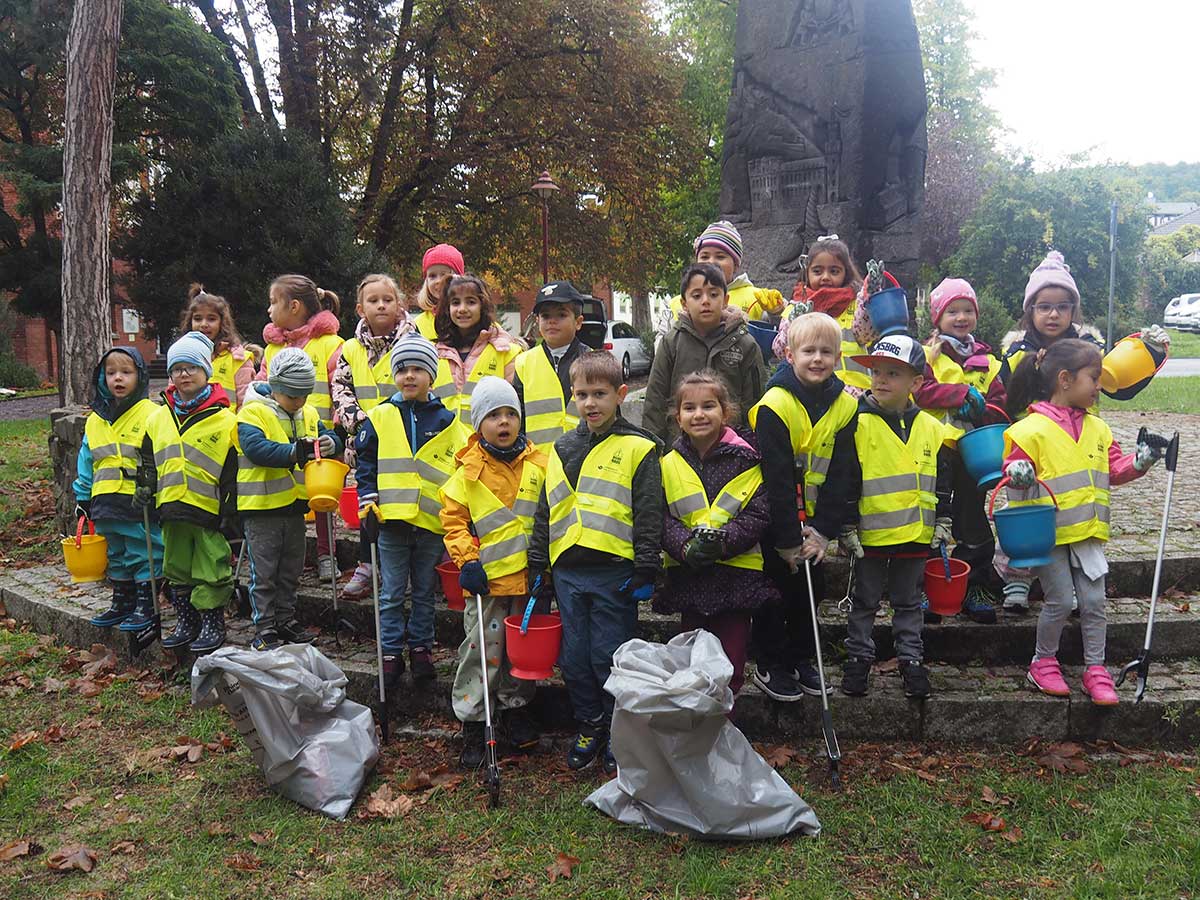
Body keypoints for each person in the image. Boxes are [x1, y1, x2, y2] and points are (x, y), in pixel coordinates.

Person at [998, 251, 1170, 613]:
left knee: (1075, 518)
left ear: (1074, 310)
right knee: (1024, 511)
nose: (1054, 314)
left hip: (1078, 446)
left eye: (1062, 306)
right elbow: (1002, 399)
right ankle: (1017, 578)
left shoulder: (1090, 348)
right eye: (1044, 306)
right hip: (1032, 450)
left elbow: (1119, 385)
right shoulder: (1016, 351)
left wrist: (1151, 355)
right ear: (1030, 311)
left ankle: (1072, 585)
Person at [1002, 339, 1165, 704]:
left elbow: (1114, 468)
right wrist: (1019, 472)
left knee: (1093, 602)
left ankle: (1096, 668)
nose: (1099, 386)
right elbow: (1010, 469)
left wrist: (1139, 463)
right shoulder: (1029, 430)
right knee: (1059, 600)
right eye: (1094, 378)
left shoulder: (1099, 429)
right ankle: (1042, 662)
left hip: (1088, 533)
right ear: (1065, 379)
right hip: (1048, 535)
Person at [527, 351, 663, 775]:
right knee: (574, 657)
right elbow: (546, 509)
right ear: (572, 397)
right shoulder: (562, 447)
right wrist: (538, 564)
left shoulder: (640, 447)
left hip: (615, 571)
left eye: (600, 393)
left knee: (610, 654)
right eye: (583, 394)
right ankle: (590, 722)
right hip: (568, 570)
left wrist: (646, 565)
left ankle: (618, 727)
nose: (591, 403)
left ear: (621, 395)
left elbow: (648, 511)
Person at [805, 333, 952, 699]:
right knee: (864, 601)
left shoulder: (933, 429)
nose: (881, 380)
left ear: (916, 382)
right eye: (876, 373)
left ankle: (911, 660)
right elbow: (845, 477)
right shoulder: (856, 423)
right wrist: (846, 525)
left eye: (893, 373)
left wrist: (945, 521)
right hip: (868, 537)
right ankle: (858, 659)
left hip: (916, 535)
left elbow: (944, 481)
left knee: (908, 601)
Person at [748, 312, 857, 701]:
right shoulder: (774, 406)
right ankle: (771, 662)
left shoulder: (846, 407)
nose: (817, 359)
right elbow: (774, 478)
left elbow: (843, 473)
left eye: (826, 352)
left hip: (815, 524)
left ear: (838, 356)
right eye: (808, 351)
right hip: (776, 523)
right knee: (774, 591)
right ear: (790, 355)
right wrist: (788, 540)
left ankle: (802, 658)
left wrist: (823, 531)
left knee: (809, 595)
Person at [440, 377, 549, 767]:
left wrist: (546, 565)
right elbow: (453, 522)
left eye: (510, 414)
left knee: (521, 651)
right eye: (493, 416)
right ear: (478, 424)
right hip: (485, 583)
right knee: (481, 651)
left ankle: (516, 708)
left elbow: (551, 516)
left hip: (528, 580)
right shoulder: (468, 472)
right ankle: (474, 720)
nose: (503, 423)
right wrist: (467, 562)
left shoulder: (541, 464)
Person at [655, 371, 778, 702]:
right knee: (690, 661)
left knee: (731, 662)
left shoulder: (748, 461)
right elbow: (661, 516)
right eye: (689, 408)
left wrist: (723, 541)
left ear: (726, 412)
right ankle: (693, 726)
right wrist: (684, 545)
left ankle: (724, 725)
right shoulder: (667, 464)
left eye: (708, 406)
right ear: (677, 417)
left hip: (737, 579)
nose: (699, 414)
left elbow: (758, 513)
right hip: (690, 578)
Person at [356, 334, 471, 685]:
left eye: (417, 369)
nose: (409, 376)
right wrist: (368, 500)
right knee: (391, 592)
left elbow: (460, 469)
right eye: (402, 369)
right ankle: (391, 651)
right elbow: (366, 464)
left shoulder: (448, 421)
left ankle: (421, 648)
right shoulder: (379, 416)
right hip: (390, 520)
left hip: (430, 521)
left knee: (423, 591)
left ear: (431, 376)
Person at [913, 277, 1006, 624]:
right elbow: (921, 391)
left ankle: (975, 585)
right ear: (938, 317)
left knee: (972, 516)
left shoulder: (989, 360)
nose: (961, 317)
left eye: (968, 310)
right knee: (933, 513)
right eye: (953, 311)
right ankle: (926, 584)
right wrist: (959, 395)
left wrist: (982, 409)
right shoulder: (927, 355)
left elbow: (1001, 402)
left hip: (975, 452)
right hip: (936, 448)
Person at [237, 347, 343, 651]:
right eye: (293, 396)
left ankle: (285, 618)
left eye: (304, 395)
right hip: (261, 508)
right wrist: (296, 452)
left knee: (291, 570)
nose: (300, 402)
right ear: (276, 387)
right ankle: (265, 626)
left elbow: (331, 437)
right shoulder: (253, 412)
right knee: (265, 572)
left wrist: (330, 441)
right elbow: (257, 450)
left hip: (295, 507)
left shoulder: (307, 412)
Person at [138, 331, 237, 653]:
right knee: (176, 565)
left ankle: (212, 619)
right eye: (176, 368)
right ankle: (187, 618)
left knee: (212, 566)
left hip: (207, 510)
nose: (183, 374)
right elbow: (148, 461)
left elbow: (232, 471)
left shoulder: (224, 419)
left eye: (191, 367)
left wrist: (230, 508)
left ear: (206, 372)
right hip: (171, 508)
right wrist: (145, 488)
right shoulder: (158, 417)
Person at [257, 274, 345, 582]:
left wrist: (335, 434)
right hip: (280, 438)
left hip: (319, 436)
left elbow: (342, 389)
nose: (268, 310)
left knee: (323, 501)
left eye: (272, 303)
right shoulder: (272, 349)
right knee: (286, 498)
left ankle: (325, 554)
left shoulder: (331, 345)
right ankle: (286, 555)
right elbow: (259, 389)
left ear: (293, 306)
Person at [332, 274, 412, 601]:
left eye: (388, 299)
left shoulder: (411, 342)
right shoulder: (350, 349)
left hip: (403, 441)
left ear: (399, 305)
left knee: (402, 503)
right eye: (373, 300)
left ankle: (400, 568)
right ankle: (366, 563)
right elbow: (340, 386)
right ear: (360, 308)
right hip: (365, 442)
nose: (381, 305)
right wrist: (356, 420)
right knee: (369, 502)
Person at [74, 347, 164, 630]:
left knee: (144, 550)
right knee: (115, 552)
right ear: (102, 378)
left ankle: (146, 602)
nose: (118, 379)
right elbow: (86, 461)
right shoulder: (94, 420)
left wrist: (157, 489)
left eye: (126, 372)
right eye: (111, 373)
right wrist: (82, 496)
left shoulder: (152, 413)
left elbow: (164, 455)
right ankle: (122, 600)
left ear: (140, 375)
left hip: (138, 500)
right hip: (104, 501)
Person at [643, 263, 765, 444]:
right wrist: (653, 451)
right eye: (697, 295)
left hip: (730, 450)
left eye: (714, 294)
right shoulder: (672, 343)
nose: (706, 301)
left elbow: (755, 402)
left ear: (725, 300)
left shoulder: (744, 344)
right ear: (684, 303)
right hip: (679, 448)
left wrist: (749, 447)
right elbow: (655, 400)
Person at [655, 220, 785, 339]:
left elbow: (781, 340)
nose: (711, 262)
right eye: (705, 256)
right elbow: (662, 346)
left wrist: (777, 313)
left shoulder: (758, 298)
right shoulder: (676, 303)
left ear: (736, 265)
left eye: (720, 256)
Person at [773, 235, 867, 392]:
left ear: (846, 272)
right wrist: (793, 321)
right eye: (817, 271)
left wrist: (869, 298)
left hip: (856, 393)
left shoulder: (857, 303)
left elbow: (866, 335)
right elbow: (779, 350)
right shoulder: (796, 306)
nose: (825, 277)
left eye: (834, 271)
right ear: (807, 272)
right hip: (812, 392)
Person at [431, 274, 524, 428]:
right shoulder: (435, 355)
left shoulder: (506, 352)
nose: (462, 309)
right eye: (455, 303)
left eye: (471, 302)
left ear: (483, 306)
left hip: (489, 447)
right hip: (443, 447)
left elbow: (515, 408)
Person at [512, 281, 588, 446]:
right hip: (537, 463)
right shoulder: (524, 362)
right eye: (546, 316)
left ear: (578, 322)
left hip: (583, 460)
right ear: (537, 321)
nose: (552, 321)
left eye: (561, 315)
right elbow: (517, 417)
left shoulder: (593, 361)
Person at [178, 284, 254, 407]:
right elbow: (172, 398)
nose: (203, 324)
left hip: (227, 425)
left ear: (222, 322)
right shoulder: (181, 357)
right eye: (197, 319)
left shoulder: (238, 360)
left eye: (211, 319)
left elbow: (246, 405)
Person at [412, 244, 464, 341]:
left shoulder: (469, 317)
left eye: (444, 275)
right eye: (432, 276)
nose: (438, 281)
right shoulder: (416, 325)